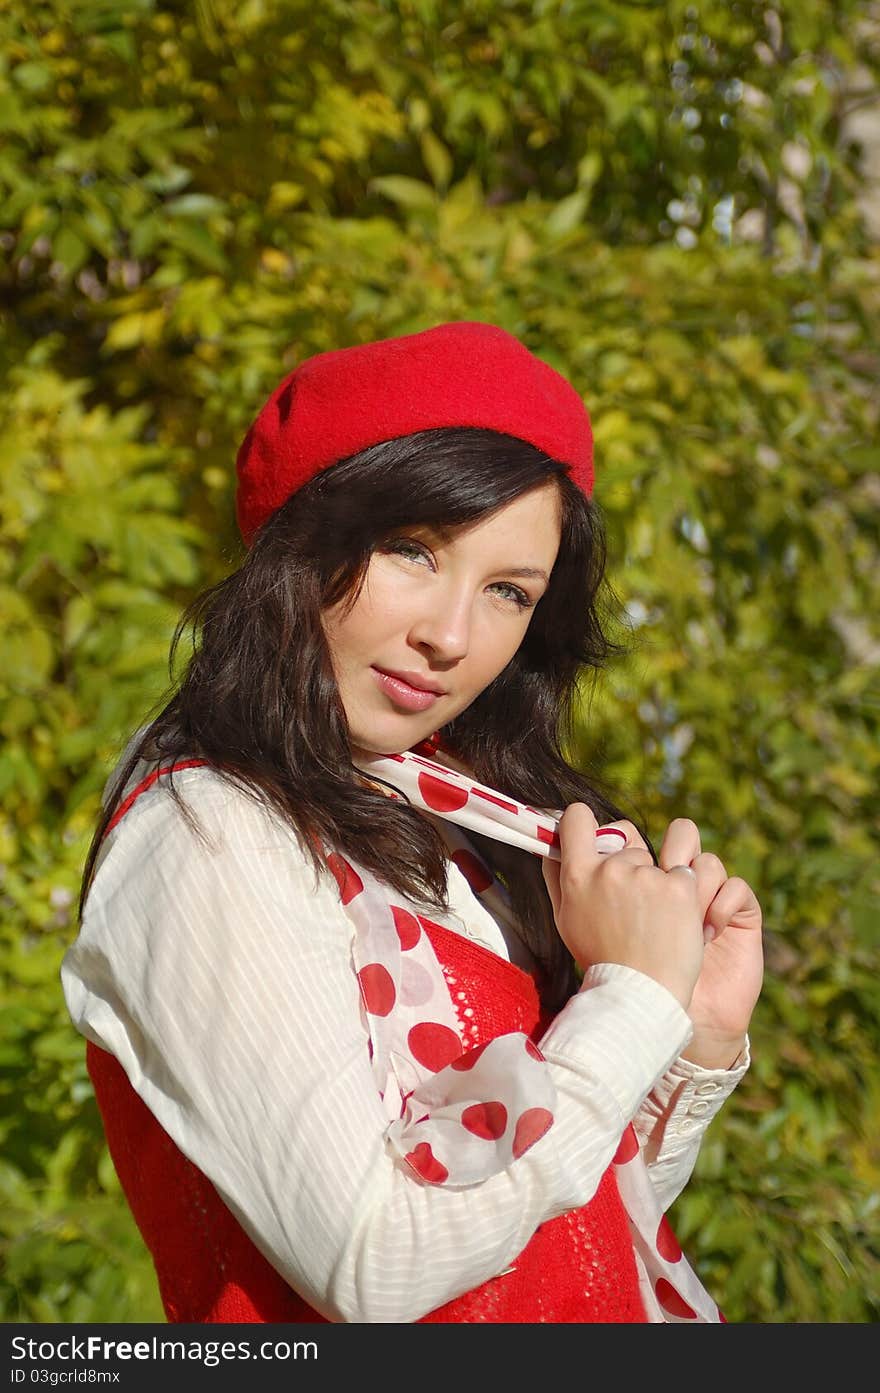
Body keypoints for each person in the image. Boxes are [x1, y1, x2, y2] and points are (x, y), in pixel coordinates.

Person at [61, 320, 764, 1325]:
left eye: (508, 592)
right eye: (412, 551)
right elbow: (377, 1261)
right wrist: (630, 1000)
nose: (449, 635)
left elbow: (560, 1231)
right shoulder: (205, 831)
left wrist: (684, 1035)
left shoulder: (453, 820)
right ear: (301, 541)